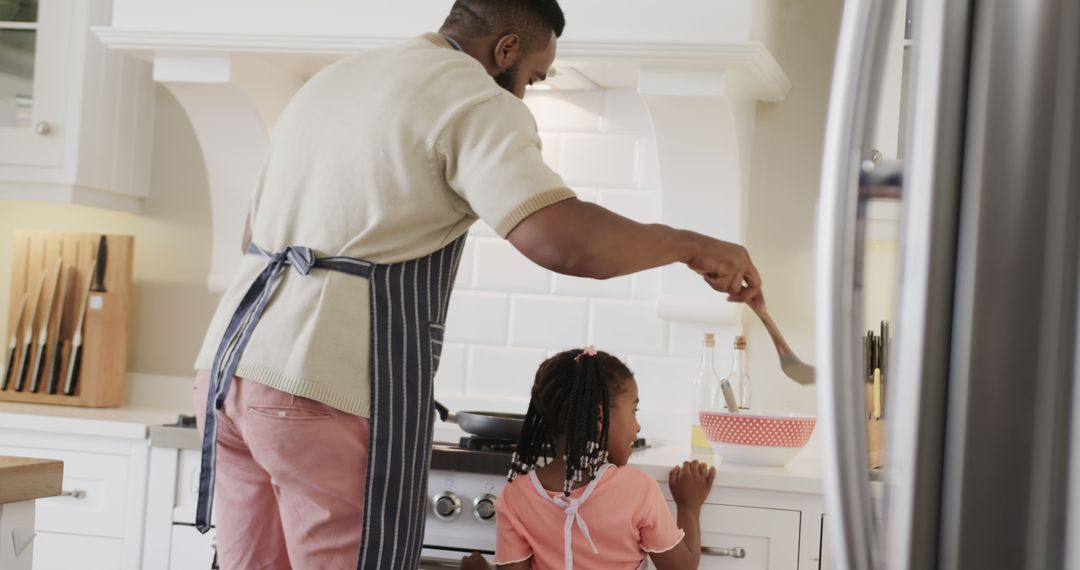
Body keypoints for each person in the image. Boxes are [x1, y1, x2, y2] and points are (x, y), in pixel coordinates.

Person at [191, 0, 760, 568]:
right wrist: (692, 245)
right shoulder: (473, 97)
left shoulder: (334, 80)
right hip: (321, 385)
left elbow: (252, 236)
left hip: (227, 369)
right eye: (533, 78)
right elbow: (564, 240)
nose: (525, 95)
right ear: (505, 49)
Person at [472, 347, 716, 570]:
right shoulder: (638, 490)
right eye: (633, 411)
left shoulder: (516, 497)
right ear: (599, 416)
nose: (637, 427)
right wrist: (688, 506)